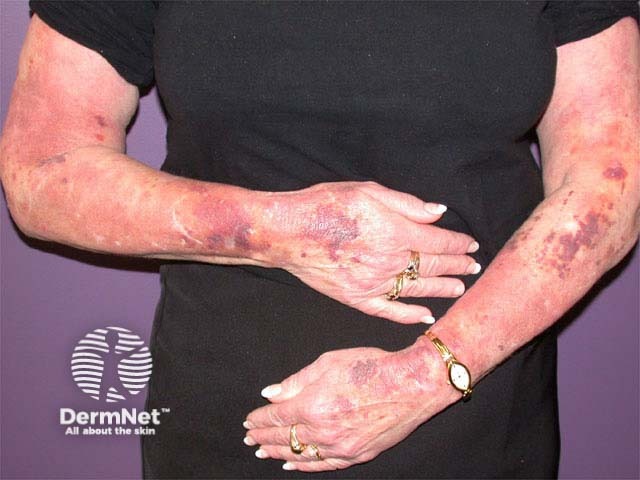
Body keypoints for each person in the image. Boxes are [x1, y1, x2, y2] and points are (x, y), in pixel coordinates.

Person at [0, 1, 637, 478]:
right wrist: (283, 231)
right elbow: (41, 171)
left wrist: (427, 375)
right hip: (230, 420)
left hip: (475, 412)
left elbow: (609, 187)